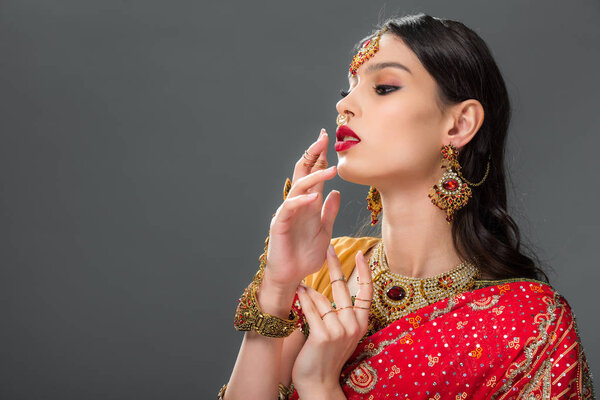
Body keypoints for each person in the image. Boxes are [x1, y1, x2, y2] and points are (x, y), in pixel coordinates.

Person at [218, 13, 595, 399]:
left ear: (459, 124)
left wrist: (319, 386)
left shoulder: (532, 328)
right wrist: (278, 286)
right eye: (347, 89)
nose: (344, 105)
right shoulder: (327, 270)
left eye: (383, 88)